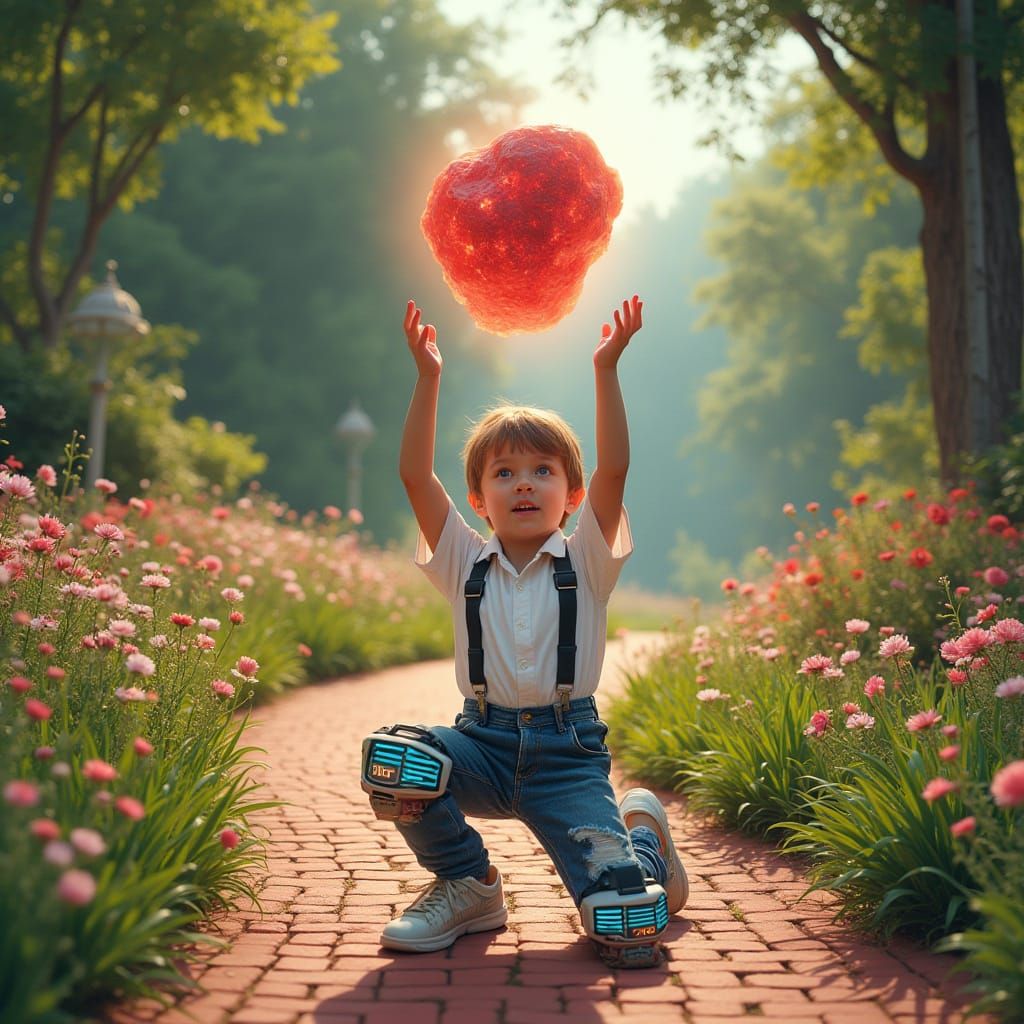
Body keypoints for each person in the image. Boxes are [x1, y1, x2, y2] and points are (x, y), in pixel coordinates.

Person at [378, 294, 688, 966]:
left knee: (625, 926)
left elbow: (615, 469)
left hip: (566, 758)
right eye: (505, 473)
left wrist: (606, 369)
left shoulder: (588, 560)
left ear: (571, 495)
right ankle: (467, 884)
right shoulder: (463, 559)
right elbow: (413, 475)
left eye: (543, 471)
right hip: (481, 746)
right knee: (397, 759)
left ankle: (644, 850)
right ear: (479, 499)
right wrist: (428, 377)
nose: (524, 485)